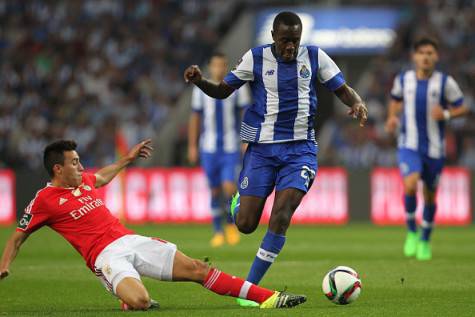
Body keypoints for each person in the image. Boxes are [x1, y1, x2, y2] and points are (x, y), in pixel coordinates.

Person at [184, 11, 368, 307]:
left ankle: (250, 289)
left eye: (295, 41)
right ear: (273, 37)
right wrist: (199, 81)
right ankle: (238, 204)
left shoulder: (316, 57)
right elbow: (221, 92)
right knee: (244, 224)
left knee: (281, 215)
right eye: (284, 41)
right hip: (262, 151)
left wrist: (357, 102)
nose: (290, 47)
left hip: (300, 151)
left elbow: (342, 90)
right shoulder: (254, 59)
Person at [0, 139, 306, 310]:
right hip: (106, 257)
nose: (81, 166)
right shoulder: (45, 200)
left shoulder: (85, 182)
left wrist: (128, 158)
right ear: (58, 168)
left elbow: (103, 175)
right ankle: (124, 294)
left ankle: (268, 297)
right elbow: (17, 237)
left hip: (130, 240)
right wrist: (4, 266)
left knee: (199, 268)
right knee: (141, 301)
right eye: (75, 162)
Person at [385, 37, 469, 261]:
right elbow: (395, 100)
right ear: (414, 56)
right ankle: (412, 230)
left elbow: (462, 107)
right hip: (409, 145)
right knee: (410, 184)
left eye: (430, 53)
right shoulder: (403, 79)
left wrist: (448, 114)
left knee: (430, 197)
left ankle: (425, 239)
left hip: (434, 149)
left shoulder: (445, 82)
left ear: (436, 56)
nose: (426, 56)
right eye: (422, 52)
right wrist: (392, 117)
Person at [188, 52, 251, 247]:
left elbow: (246, 113)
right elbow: (195, 118)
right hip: (208, 148)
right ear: (210, 67)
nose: (219, 69)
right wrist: (192, 145)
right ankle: (217, 231)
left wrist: (246, 139)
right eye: (215, 65)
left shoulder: (238, 88)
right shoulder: (200, 90)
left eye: (222, 65)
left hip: (230, 147)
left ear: (226, 66)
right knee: (215, 190)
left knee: (229, 187)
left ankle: (231, 225)